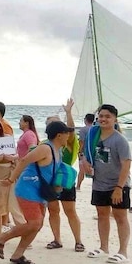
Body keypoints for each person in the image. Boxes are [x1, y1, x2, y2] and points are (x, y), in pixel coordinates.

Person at [0, 120, 71, 264]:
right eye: (67, 133)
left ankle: (18, 255)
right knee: (34, 223)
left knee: (37, 225)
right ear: (59, 135)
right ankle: (1, 238)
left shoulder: (58, 150)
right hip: (27, 188)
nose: (69, 135)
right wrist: (10, 180)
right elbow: (23, 161)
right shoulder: (45, 148)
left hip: (41, 190)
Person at [82, 104, 131, 263]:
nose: (103, 119)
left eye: (107, 116)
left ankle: (123, 252)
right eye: (101, 116)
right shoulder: (93, 134)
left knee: (120, 216)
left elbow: (126, 165)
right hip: (99, 183)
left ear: (115, 119)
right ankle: (104, 247)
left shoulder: (119, 140)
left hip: (117, 184)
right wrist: (85, 162)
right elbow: (85, 153)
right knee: (102, 215)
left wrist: (119, 188)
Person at [45, 99, 84, 252]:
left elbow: (71, 129)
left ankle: (78, 241)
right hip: (50, 182)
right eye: (50, 124)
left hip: (65, 180)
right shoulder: (45, 144)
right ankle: (57, 239)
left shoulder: (67, 142)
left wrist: (68, 113)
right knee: (53, 211)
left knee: (70, 211)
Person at [77, 113, 95, 190]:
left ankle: (78, 186)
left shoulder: (83, 129)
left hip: (85, 152)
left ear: (85, 120)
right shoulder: (96, 128)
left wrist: (79, 151)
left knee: (81, 170)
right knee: (95, 170)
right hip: (94, 152)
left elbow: (82, 141)